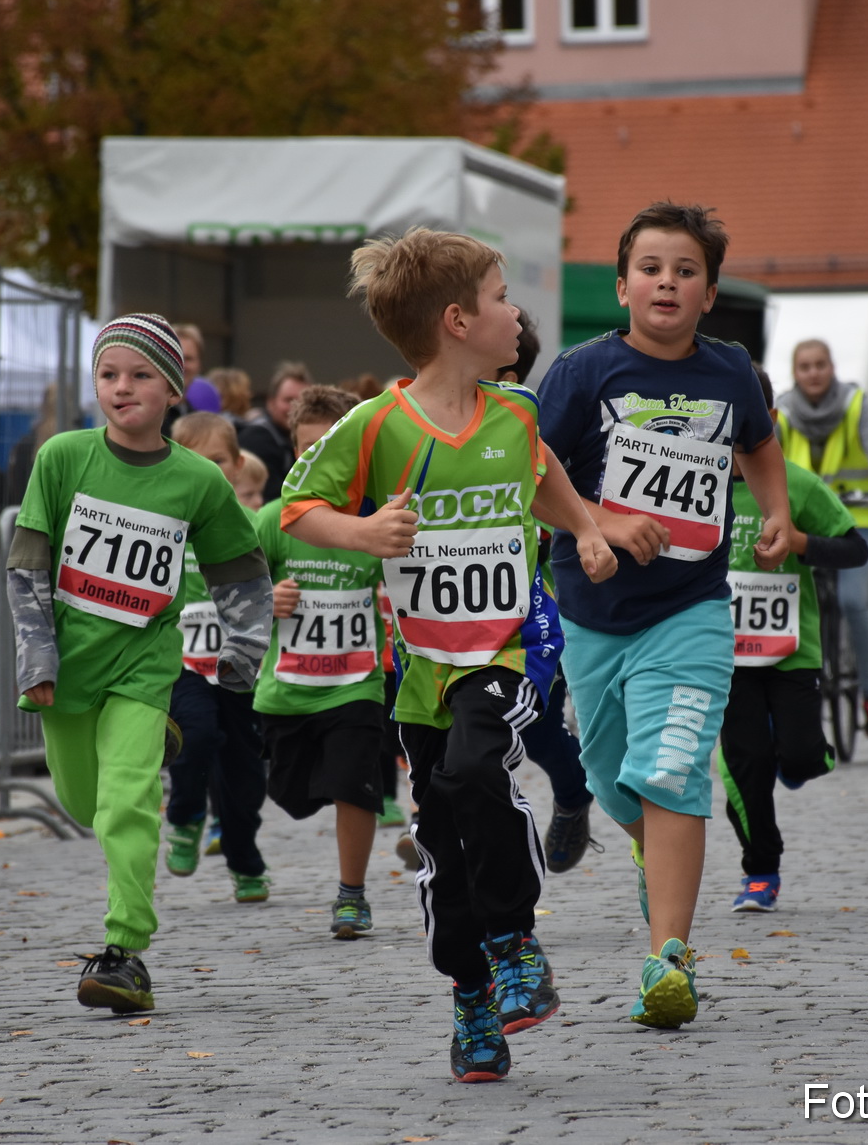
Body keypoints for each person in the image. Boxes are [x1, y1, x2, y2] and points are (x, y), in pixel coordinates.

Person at [282, 227, 615, 1082]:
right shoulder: (374, 425)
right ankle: (472, 992)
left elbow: (539, 472)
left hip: (507, 644)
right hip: (420, 666)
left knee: (476, 771)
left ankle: (515, 938)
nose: (518, 313)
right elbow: (295, 508)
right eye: (504, 296)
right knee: (442, 834)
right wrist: (361, 530)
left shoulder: (516, 411)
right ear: (459, 320)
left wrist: (584, 530)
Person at [536, 202, 789, 1030]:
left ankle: (667, 958)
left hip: (691, 611)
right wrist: (598, 524)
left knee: (675, 766)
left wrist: (776, 510)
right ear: (621, 286)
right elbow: (525, 475)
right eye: (651, 268)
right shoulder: (581, 372)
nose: (667, 282)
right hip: (592, 616)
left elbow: (757, 442)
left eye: (685, 271)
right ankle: (657, 846)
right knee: (617, 779)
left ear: (709, 292)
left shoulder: (731, 373)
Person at [6, 314, 270, 1015]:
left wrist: (242, 655)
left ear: (174, 389)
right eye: (109, 373)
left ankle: (124, 952)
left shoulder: (198, 481)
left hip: (145, 666)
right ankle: (155, 743)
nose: (122, 387)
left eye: (141, 374)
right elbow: (27, 563)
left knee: (126, 803)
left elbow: (240, 572)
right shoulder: (62, 458)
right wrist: (36, 652)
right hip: (66, 670)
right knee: (82, 801)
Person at [722, 368, 868, 912]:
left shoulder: (797, 485)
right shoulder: (696, 486)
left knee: (803, 756)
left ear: (772, 421)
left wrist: (799, 541)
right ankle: (760, 871)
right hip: (722, 655)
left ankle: (798, 755)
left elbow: (856, 549)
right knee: (746, 764)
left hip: (790, 652)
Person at [253, 384, 388, 938]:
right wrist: (267, 599)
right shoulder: (274, 520)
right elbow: (231, 590)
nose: (316, 462)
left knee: (353, 784)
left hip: (355, 684)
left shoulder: (375, 521)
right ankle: (308, 788)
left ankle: (351, 894)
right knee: (290, 793)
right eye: (307, 451)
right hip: (286, 688)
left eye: (329, 451)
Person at [497, 308, 597, 872]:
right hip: (456, 611)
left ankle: (574, 790)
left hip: (534, 607)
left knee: (534, 726)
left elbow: (569, 504)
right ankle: (439, 818)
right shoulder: (428, 419)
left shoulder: (528, 429)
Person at [160, 412, 270, 903]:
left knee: (245, 776)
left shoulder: (251, 523)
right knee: (195, 737)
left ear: (237, 464)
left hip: (241, 669)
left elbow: (279, 572)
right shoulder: (164, 524)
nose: (207, 470)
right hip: (184, 664)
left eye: (218, 461)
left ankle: (246, 863)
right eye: (194, 461)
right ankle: (184, 817)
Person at [775, 338, 868, 739]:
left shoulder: (855, 403)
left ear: (832, 367)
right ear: (796, 372)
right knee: (789, 599)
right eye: (805, 366)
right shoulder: (784, 409)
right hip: (803, 518)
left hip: (856, 515)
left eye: (820, 365)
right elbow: (768, 456)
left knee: (851, 600)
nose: (813, 373)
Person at [244, 362, 312, 501]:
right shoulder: (257, 440)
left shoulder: (298, 439)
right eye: (288, 400)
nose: (296, 408)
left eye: (303, 401)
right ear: (271, 403)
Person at [176, 323, 223, 415]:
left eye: (188, 359)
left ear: (199, 364)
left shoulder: (194, 414)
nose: (182, 365)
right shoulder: (150, 414)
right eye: (176, 358)